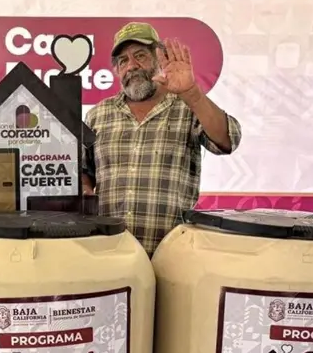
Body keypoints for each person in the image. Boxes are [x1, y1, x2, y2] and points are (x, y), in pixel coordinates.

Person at [83, 22, 242, 256]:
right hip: (110, 252)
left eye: (140, 56)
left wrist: (192, 94)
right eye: (123, 61)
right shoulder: (98, 114)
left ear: (160, 58)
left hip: (171, 256)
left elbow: (229, 140)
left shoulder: (187, 106)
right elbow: (85, 169)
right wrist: (85, 191)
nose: (132, 66)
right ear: (116, 70)